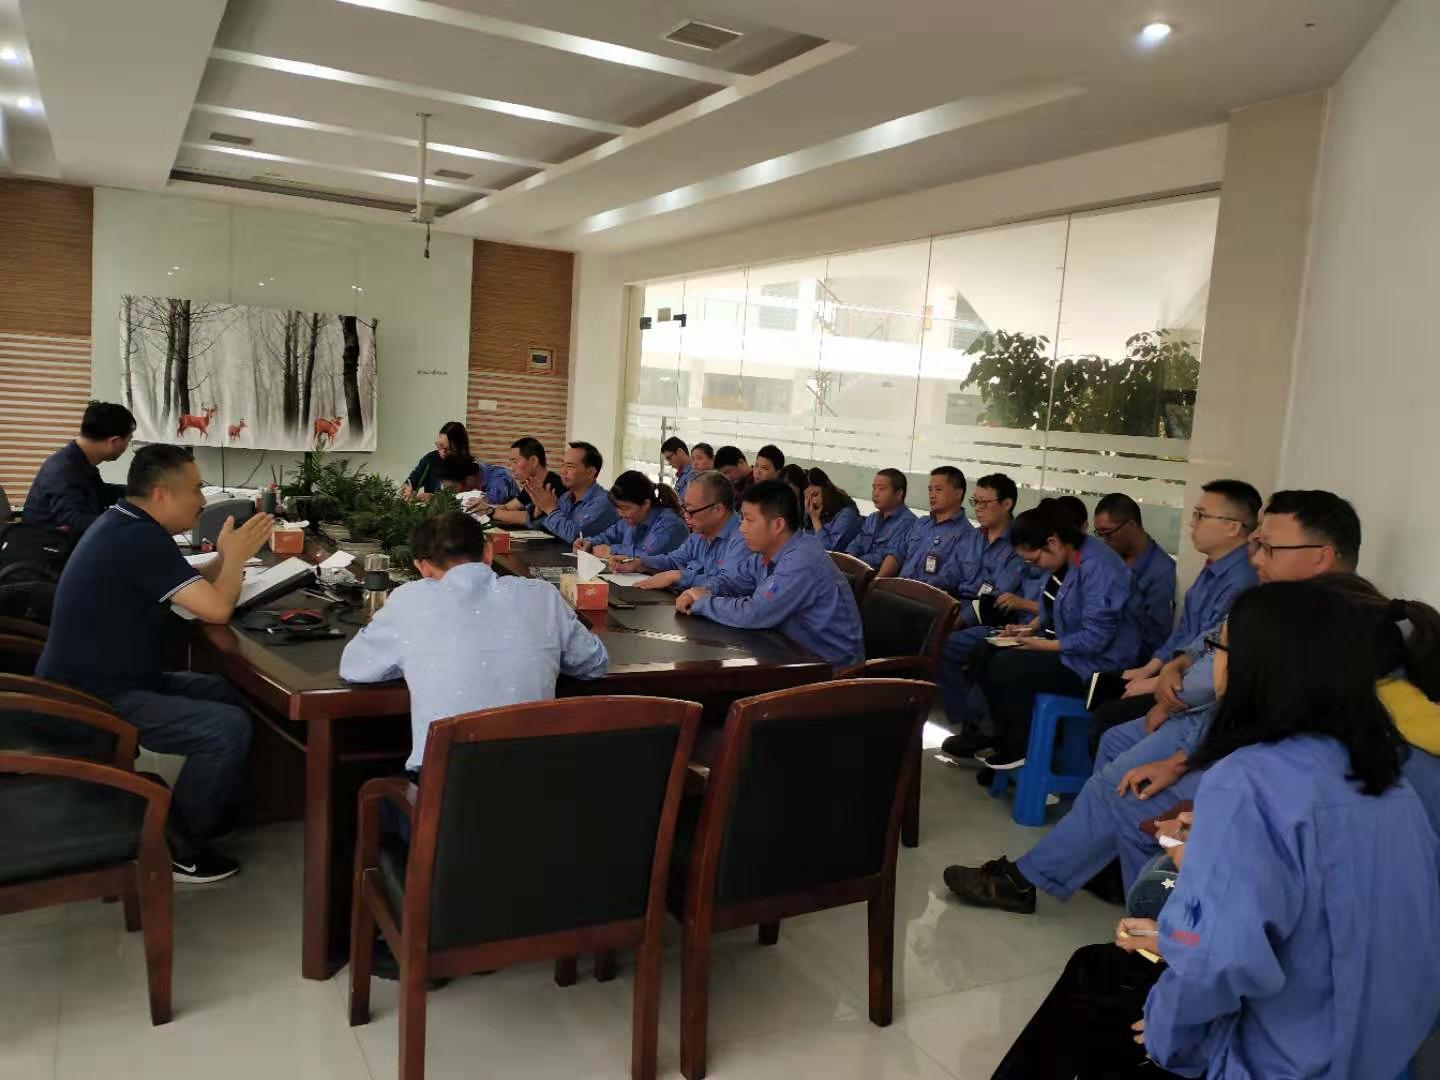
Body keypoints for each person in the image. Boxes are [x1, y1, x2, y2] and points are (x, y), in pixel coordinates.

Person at [943, 490, 1363, 914]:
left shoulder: (1324, 626)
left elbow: (1253, 712)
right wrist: (1171, 667)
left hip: (1233, 747)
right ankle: (1098, 877)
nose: (1257, 558)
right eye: (1258, 545)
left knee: (1126, 790)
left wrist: (1181, 751)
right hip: (1204, 716)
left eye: (1269, 547)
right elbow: (1205, 642)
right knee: (1112, 747)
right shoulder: (1280, 601)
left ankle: (1124, 915)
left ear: (1321, 556)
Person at [1141, 581, 1440, 1079]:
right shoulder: (1388, 771)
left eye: (1219, 648)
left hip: (1287, 1058)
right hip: (1388, 1050)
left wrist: (1165, 1037)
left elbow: (1213, 961)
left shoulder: (1246, 781)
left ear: (1256, 666)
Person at [36, 444, 275, 884]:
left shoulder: (128, 523)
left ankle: (216, 803)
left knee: (222, 692)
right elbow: (217, 609)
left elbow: (191, 584)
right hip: (94, 698)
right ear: (162, 494)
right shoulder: (138, 539)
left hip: (110, 677)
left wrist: (227, 556)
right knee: (226, 728)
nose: (202, 500)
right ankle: (176, 847)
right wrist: (237, 558)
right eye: (196, 489)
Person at [340, 512, 609, 775]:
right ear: (488, 551)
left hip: (449, 791)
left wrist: (416, 659)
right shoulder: (542, 596)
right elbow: (594, 663)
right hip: (538, 782)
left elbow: (355, 668)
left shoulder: (408, 601)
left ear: (422, 567)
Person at [972, 500, 1136, 770]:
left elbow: (1096, 638)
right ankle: (1001, 736)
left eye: (1034, 560)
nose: (1035, 567)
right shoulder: (1068, 559)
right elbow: (1055, 606)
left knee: (1007, 666)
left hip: (1096, 666)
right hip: (1068, 650)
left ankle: (1022, 746)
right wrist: (1027, 630)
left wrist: (1041, 646)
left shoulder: (1098, 567)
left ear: (1053, 542)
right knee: (982, 651)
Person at [1097, 480, 1260, 736]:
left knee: (1109, 718)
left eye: (1201, 516)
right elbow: (1184, 632)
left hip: (1195, 692)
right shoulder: (1212, 569)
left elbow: (1210, 654)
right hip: (1175, 671)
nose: (1192, 523)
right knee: (1101, 688)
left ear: (1233, 527)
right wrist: (1149, 669)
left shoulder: (1241, 581)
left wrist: (1154, 682)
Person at [677, 480, 864, 669]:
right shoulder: (766, 553)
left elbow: (755, 613)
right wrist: (701, 591)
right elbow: (732, 582)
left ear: (777, 525)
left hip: (830, 672)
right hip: (787, 653)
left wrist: (703, 602)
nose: (741, 528)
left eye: (749, 520)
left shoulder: (801, 560)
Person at [936, 474, 1028, 756]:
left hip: (992, 618)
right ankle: (969, 717)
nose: (977, 508)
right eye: (975, 501)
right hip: (958, 606)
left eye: (984, 502)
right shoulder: (972, 538)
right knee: (924, 631)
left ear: (1007, 504)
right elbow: (948, 575)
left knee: (945, 644)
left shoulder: (1018, 545)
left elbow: (995, 600)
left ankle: (979, 725)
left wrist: (952, 622)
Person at [612, 471, 757, 595]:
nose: (686, 516)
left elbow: (728, 585)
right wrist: (641, 563)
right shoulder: (699, 533)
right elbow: (674, 560)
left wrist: (679, 576)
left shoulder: (744, 539)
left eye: (691, 511)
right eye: (684, 508)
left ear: (717, 509)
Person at [22, 400, 135, 535]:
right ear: (114, 441)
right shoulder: (65, 469)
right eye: (128, 440)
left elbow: (101, 493)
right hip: (49, 544)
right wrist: (126, 520)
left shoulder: (78, 460)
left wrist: (138, 491)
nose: (127, 446)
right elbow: (74, 522)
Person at [1093, 492, 1177, 664]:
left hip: (1126, 662)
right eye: (1099, 534)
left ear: (1131, 525)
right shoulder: (1111, 559)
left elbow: (1156, 640)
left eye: (1107, 533)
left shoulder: (1161, 572)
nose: (1104, 541)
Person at [876, 466, 972, 592]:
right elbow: (897, 554)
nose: (932, 495)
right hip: (898, 590)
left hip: (926, 598)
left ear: (957, 494)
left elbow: (948, 578)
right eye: (930, 490)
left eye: (938, 490)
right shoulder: (921, 523)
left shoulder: (967, 535)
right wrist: (877, 581)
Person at [575, 470, 687, 560]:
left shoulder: (669, 524)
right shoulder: (630, 520)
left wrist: (610, 551)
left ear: (646, 504)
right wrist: (588, 543)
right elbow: (607, 536)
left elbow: (647, 556)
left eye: (625, 508)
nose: (620, 514)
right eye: (618, 508)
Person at [525, 440, 619, 543]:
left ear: (590, 473)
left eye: (570, 466)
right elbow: (545, 527)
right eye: (562, 465)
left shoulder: (603, 502)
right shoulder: (566, 497)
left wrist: (550, 509)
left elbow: (575, 536)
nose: (563, 471)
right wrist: (538, 510)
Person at [845, 468, 917, 570]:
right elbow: (856, 545)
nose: (875, 494)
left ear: (898, 494)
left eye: (881, 489)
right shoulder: (872, 518)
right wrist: (846, 562)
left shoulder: (909, 523)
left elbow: (886, 559)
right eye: (874, 488)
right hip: (857, 569)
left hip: (879, 574)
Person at [490, 437, 563, 526]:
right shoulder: (532, 484)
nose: (511, 468)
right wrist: (485, 507)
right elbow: (508, 507)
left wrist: (491, 512)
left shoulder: (554, 486)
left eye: (515, 462)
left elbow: (531, 518)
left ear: (533, 461)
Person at [401, 421, 479, 498]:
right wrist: (408, 490)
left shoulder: (471, 467)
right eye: (439, 445)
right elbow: (410, 483)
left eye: (449, 449)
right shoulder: (430, 459)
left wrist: (434, 498)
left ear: (460, 448)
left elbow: (469, 499)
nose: (442, 451)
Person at [800, 467, 861, 551]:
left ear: (826, 490)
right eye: (807, 497)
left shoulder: (847, 514)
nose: (813, 502)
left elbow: (830, 551)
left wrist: (815, 520)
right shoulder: (812, 511)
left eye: (815, 495)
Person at [660, 436, 695, 500]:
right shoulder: (683, 475)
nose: (669, 463)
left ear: (679, 452)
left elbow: (684, 502)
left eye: (669, 458)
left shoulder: (693, 474)